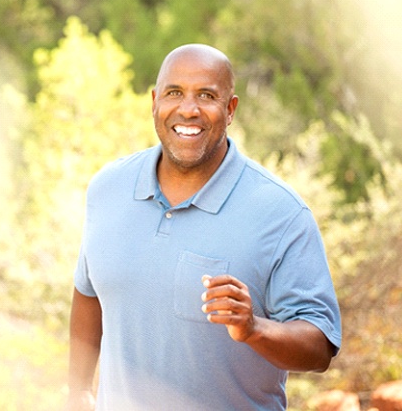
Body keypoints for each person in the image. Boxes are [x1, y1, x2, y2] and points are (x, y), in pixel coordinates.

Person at [65, 44, 341, 410]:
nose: (188, 109)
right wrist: (79, 390)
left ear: (230, 110)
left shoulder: (280, 213)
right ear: (154, 102)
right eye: (174, 93)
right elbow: (89, 293)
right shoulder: (108, 188)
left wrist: (254, 329)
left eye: (207, 96)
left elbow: (319, 347)